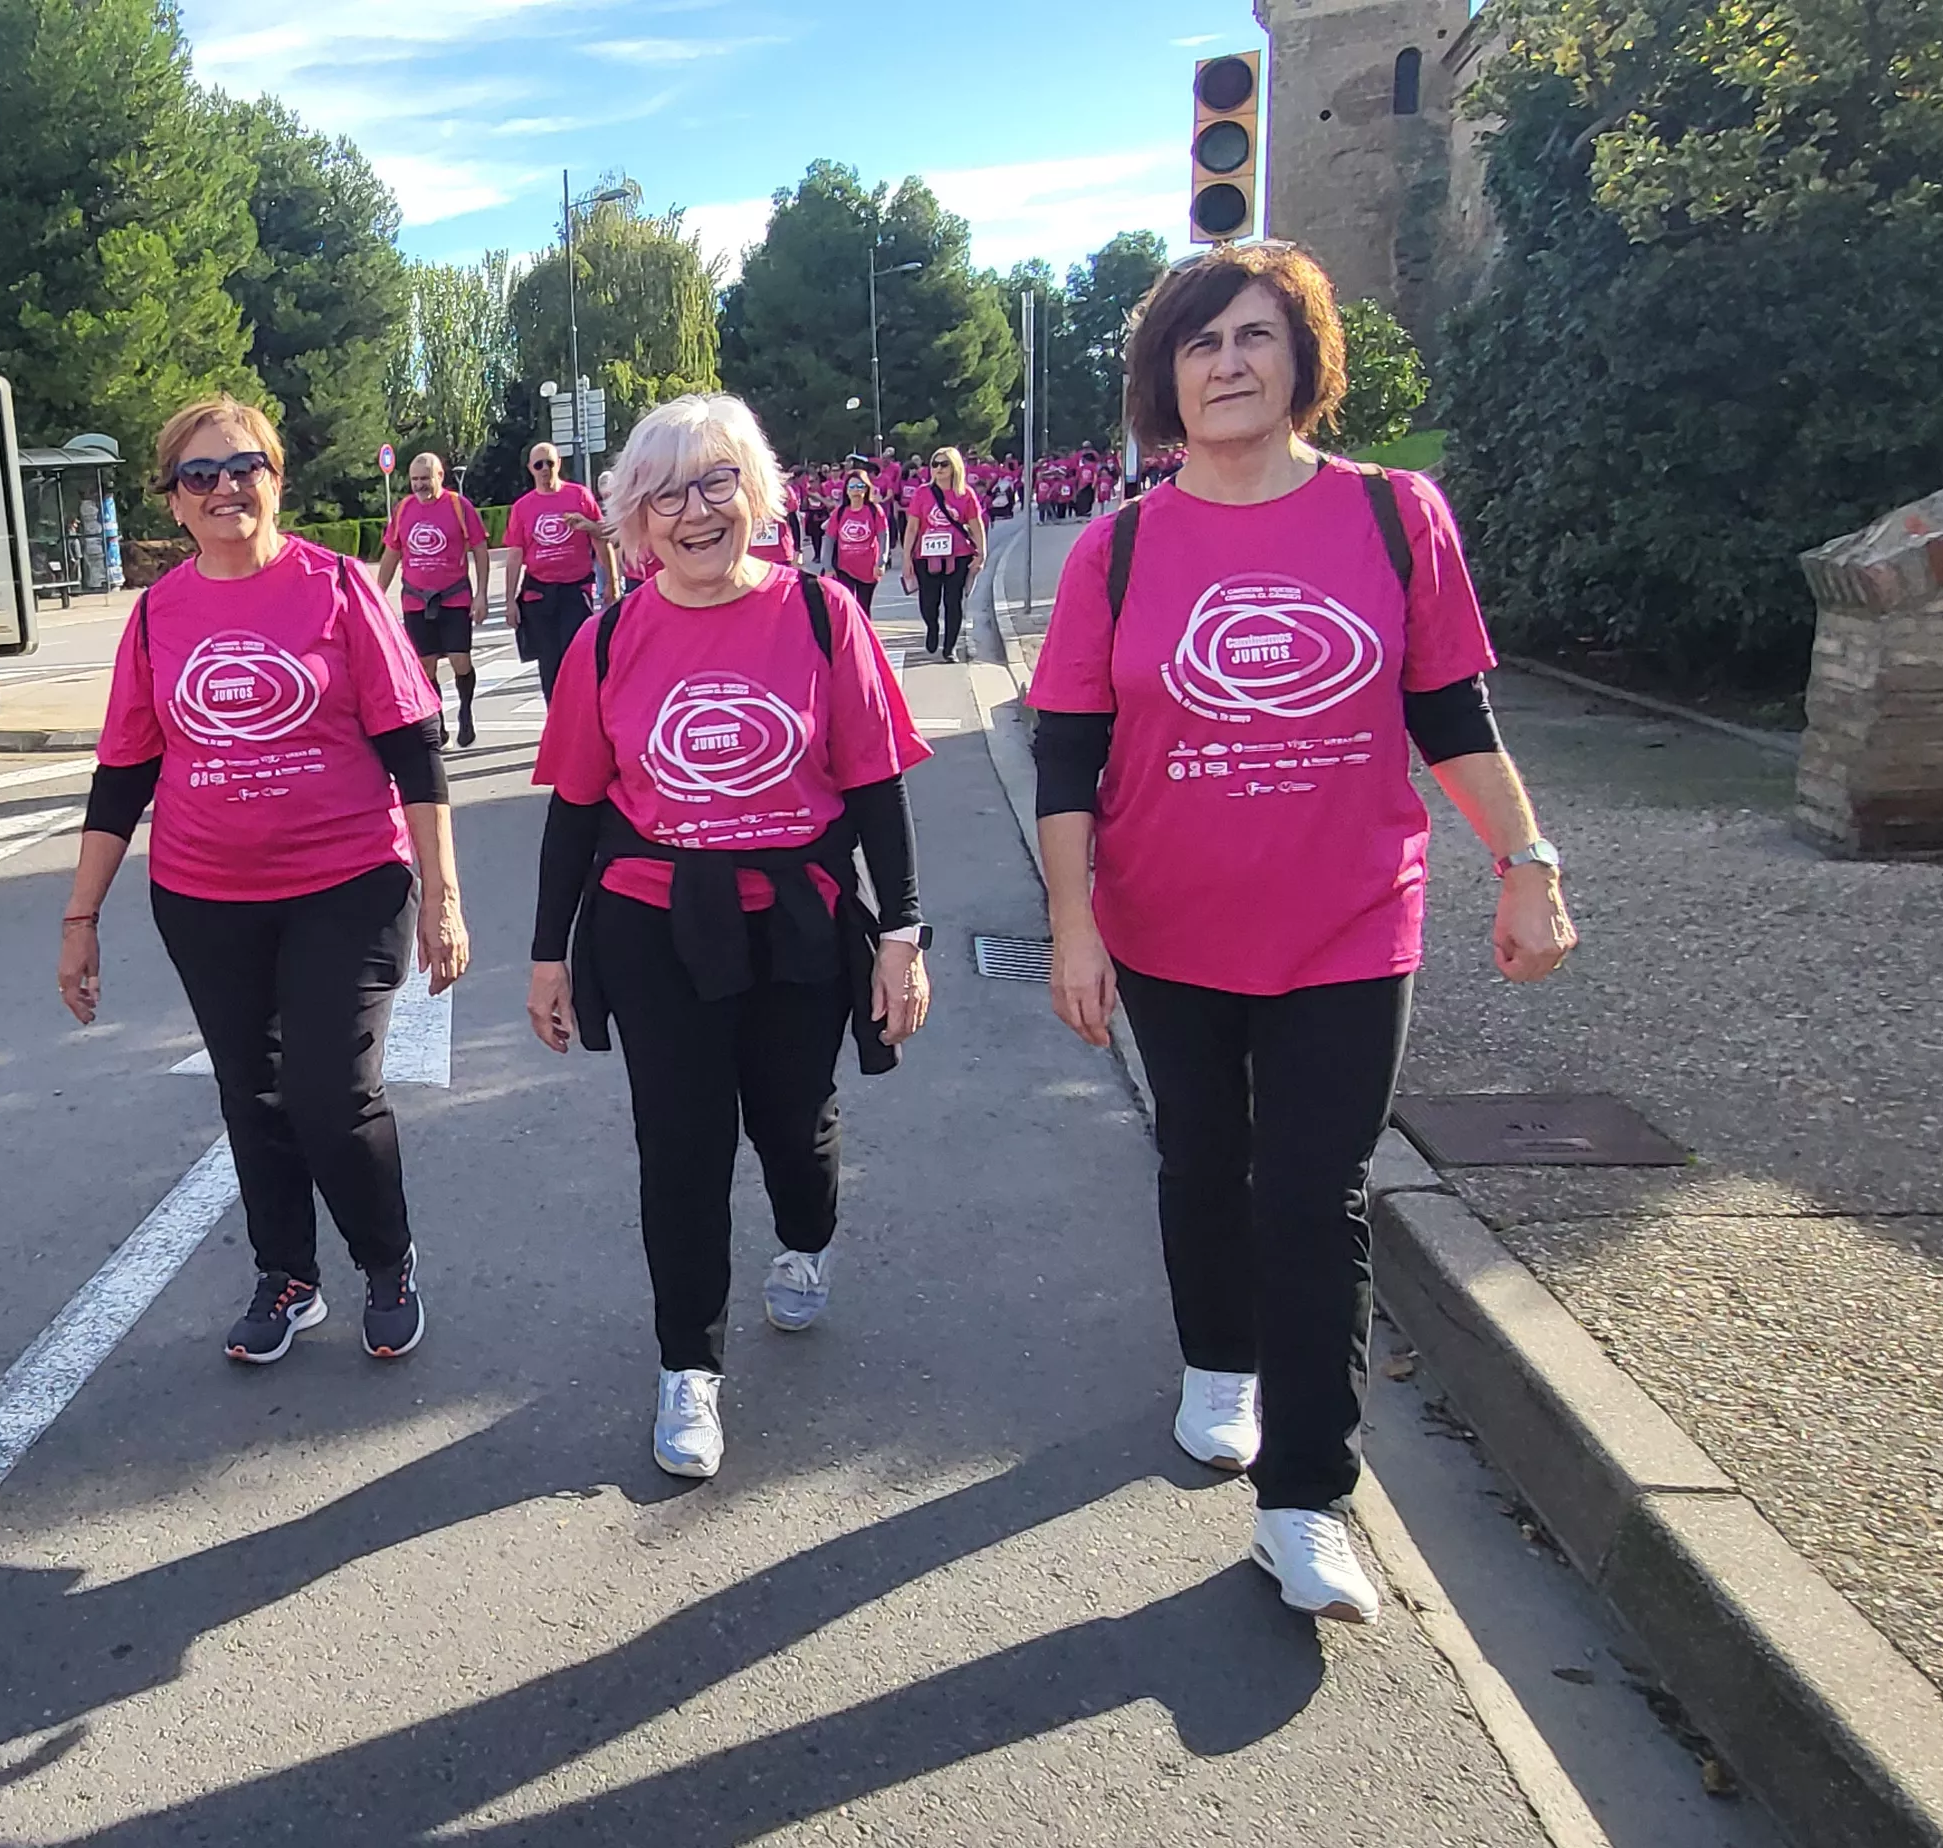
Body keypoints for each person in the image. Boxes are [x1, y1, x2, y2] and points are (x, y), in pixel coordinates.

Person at [1027, 241, 1577, 1624]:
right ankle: (1217, 1359)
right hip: (1167, 922)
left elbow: (1451, 713)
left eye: (1256, 337)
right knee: (1206, 1157)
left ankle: (1308, 1497)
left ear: (1301, 361)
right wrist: (1075, 924)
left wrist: (1527, 860)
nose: (1227, 364)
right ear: (1166, 375)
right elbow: (1065, 758)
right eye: (1201, 343)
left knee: (1316, 1190)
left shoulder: (1397, 517)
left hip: (1349, 918)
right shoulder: (1121, 545)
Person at [525, 393, 932, 1480]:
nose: (694, 512)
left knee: (795, 1135)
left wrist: (900, 929)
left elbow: (876, 783)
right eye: (665, 494)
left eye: (716, 483)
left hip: (796, 921)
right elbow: (572, 807)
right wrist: (547, 952)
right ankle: (686, 1370)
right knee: (681, 1149)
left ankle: (804, 1243)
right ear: (633, 522)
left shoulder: (819, 616)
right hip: (655, 925)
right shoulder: (607, 640)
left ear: (755, 494)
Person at [60, 395, 467, 1364]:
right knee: (253, 1094)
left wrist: (443, 900)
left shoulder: (333, 588)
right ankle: (286, 1276)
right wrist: (81, 915)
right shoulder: (159, 613)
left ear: (276, 479)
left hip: (350, 881)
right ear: (172, 502)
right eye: (198, 475)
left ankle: (386, 1256)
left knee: (332, 1093)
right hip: (204, 897)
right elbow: (123, 770)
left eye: (242, 467)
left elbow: (414, 749)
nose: (223, 488)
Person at [387, 452, 491, 745]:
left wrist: (481, 594)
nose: (419, 485)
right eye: (414, 480)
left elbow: (480, 550)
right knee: (425, 667)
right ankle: (439, 722)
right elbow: (391, 554)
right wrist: (376, 595)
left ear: (439, 476)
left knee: (460, 660)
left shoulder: (459, 506)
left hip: (454, 597)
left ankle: (466, 712)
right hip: (416, 600)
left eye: (425, 479)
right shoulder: (403, 510)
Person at [506, 441, 611, 681]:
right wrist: (510, 601)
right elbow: (514, 555)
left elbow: (600, 538)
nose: (545, 469)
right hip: (540, 592)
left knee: (577, 654)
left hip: (576, 588)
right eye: (539, 464)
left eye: (550, 463)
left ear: (559, 464)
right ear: (530, 468)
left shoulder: (579, 496)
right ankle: (554, 712)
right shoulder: (522, 507)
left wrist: (612, 583)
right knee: (549, 661)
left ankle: (580, 711)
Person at [902, 450, 989, 661]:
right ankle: (932, 626)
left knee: (953, 601)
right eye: (934, 464)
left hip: (958, 555)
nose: (938, 469)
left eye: (944, 464)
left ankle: (950, 647)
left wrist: (982, 553)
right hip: (926, 556)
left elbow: (976, 526)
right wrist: (906, 558)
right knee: (928, 601)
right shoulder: (922, 493)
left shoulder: (965, 494)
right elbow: (912, 527)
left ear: (954, 467)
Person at [825, 472, 889, 614]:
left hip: (868, 568)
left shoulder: (874, 510)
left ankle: (864, 635)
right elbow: (829, 540)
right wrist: (828, 566)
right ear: (846, 490)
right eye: (852, 486)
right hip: (844, 568)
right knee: (846, 606)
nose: (856, 490)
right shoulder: (840, 512)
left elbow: (883, 537)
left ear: (866, 489)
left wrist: (881, 562)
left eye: (860, 486)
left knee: (863, 608)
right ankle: (849, 635)